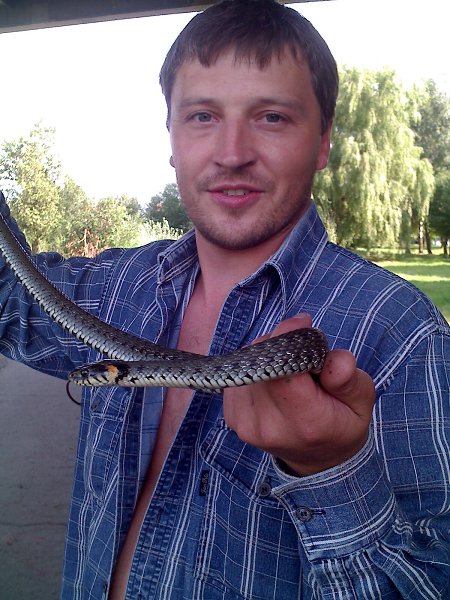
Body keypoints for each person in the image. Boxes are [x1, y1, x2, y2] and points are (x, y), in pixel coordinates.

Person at [0, 0, 448, 598]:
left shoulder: (402, 337)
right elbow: (9, 297)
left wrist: (329, 473)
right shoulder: (116, 289)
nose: (232, 152)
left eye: (272, 117)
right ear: (171, 137)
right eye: (202, 116)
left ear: (322, 143)